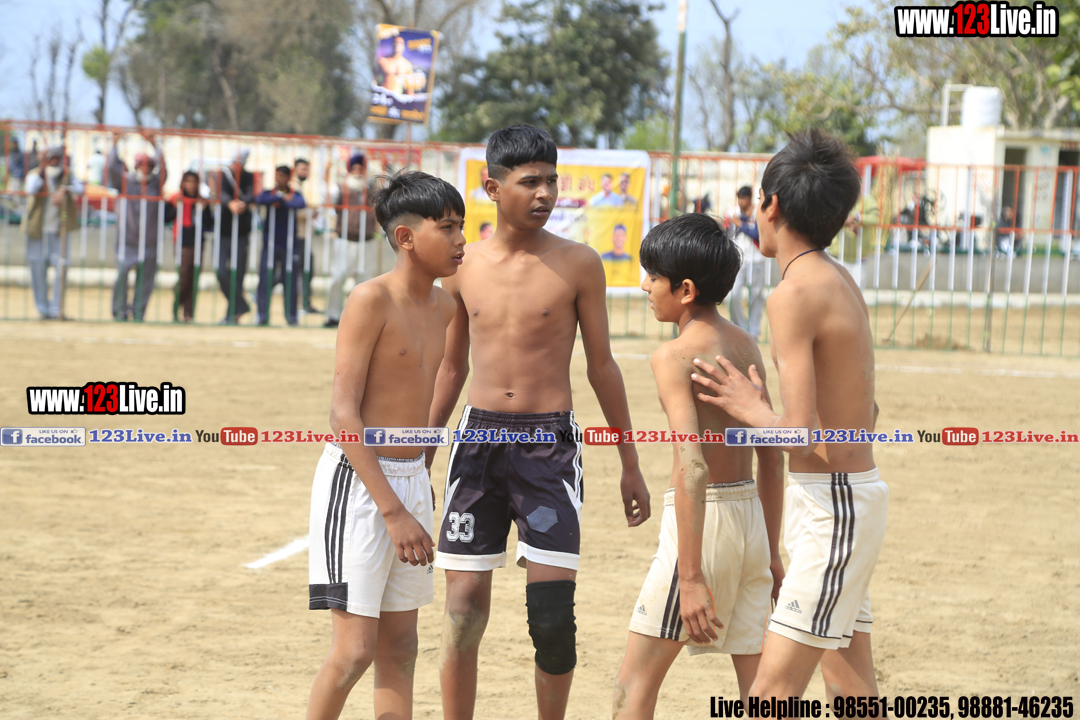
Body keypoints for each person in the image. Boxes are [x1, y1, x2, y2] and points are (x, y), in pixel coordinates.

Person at [427, 124, 651, 720]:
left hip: (549, 445)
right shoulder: (462, 264)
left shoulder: (579, 263)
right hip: (477, 442)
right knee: (462, 613)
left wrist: (630, 462)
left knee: (552, 619)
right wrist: (423, 452)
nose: (545, 193)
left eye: (551, 180)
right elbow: (451, 367)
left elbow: (602, 366)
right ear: (492, 188)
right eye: (530, 182)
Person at [690, 129, 889, 702]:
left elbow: (799, 435)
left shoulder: (792, 294)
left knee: (770, 694)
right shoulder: (837, 278)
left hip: (834, 506)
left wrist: (750, 407)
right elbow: (867, 410)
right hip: (839, 499)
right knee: (849, 684)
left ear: (771, 205)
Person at [305, 170, 466, 720]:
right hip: (358, 485)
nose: (461, 239)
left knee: (401, 648)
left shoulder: (445, 307)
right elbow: (342, 413)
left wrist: (420, 472)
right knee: (354, 651)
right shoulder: (369, 299)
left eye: (462, 226)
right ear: (405, 237)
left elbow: (440, 384)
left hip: (410, 480)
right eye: (447, 227)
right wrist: (393, 511)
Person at [612, 213, 784, 718]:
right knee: (762, 690)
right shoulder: (745, 343)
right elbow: (771, 457)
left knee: (634, 684)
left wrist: (689, 577)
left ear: (685, 290)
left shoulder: (673, 356)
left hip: (701, 526)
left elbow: (693, 466)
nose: (645, 286)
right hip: (751, 523)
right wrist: (771, 552)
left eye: (653, 276)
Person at [109, 132, 166, 322]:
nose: (146, 169)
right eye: (143, 165)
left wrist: (155, 145)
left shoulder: (156, 184)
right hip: (127, 239)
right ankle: (119, 311)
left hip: (150, 240)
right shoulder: (125, 182)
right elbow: (112, 167)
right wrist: (115, 144)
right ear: (136, 166)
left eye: (150, 166)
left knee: (146, 280)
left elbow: (164, 169)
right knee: (122, 276)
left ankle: (139, 312)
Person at [23, 147, 83, 319]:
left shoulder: (67, 174)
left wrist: (65, 190)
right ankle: (43, 310)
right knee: (37, 269)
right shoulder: (35, 174)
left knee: (62, 268)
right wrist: (42, 168)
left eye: (57, 157)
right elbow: (31, 189)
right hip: (37, 231)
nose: (54, 160)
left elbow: (80, 189)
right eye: (50, 158)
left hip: (59, 231)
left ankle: (57, 310)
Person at [324, 152, 375, 328]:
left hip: (366, 241)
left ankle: (362, 319)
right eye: (354, 169)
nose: (357, 172)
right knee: (337, 278)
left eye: (361, 169)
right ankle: (333, 315)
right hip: (344, 240)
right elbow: (328, 202)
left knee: (365, 281)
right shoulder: (340, 188)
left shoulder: (372, 189)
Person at [255, 166, 307, 326]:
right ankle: (262, 315)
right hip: (270, 243)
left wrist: (282, 200)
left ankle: (291, 316)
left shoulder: (295, 194)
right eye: (278, 175)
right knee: (265, 279)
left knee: (289, 280)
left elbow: (301, 203)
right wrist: (282, 199)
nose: (280, 178)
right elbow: (260, 200)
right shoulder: (269, 193)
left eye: (283, 176)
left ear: (289, 178)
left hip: (289, 244)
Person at [213, 149, 255, 324]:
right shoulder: (223, 175)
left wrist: (243, 203)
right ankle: (242, 305)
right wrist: (230, 203)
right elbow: (221, 193)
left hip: (242, 232)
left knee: (238, 274)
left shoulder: (249, 177)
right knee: (221, 270)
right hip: (224, 231)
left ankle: (232, 314)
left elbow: (251, 193)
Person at [170, 171, 212, 323]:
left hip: (198, 242)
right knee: (183, 277)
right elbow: (166, 217)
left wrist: (204, 209)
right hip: (182, 241)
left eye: (194, 182)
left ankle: (189, 313)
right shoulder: (176, 199)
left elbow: (209, 224)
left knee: (194, 279)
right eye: (188, 181)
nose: (191, 185)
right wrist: (176, 207)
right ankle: (177, 306)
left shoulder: (201, 201)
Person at [726, 185, 766, 340]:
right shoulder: (733, 212)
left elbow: (757, 234)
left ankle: (754, 332)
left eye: (744, 198)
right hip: (739, 260)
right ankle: (741, 328)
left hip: (756, 260)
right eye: (739, 198)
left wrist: (740, 223)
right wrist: (740, 220)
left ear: (750, 198)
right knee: (732, 295)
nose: (741, 201)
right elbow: (730, 232)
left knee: (756, 296)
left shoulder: (758, 212)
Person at [292, 157, 320, 314]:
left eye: (307, 169)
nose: (305, 172)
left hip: (303, 234)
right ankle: (303, 303)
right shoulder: (293, 186)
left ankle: (305, 303)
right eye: (303, 169)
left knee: (304, 268)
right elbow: (297, 211)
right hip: (297, 234)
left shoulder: (300, 186)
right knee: (302, 269)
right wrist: (311, 212)